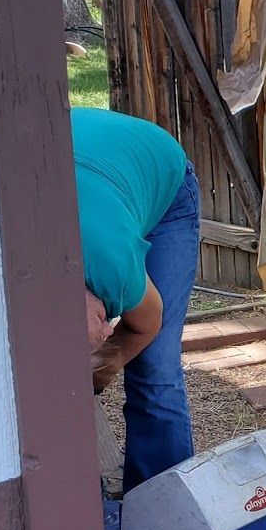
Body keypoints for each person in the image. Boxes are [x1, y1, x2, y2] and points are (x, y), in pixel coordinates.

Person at [71, 107, 200, 491]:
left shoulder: (116, 274)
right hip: (90, 161)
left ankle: (163, 513)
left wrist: (101, 371)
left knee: (155, 370)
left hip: (158, 169)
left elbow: (147, 325)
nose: (108, 327)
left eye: (102, 328)